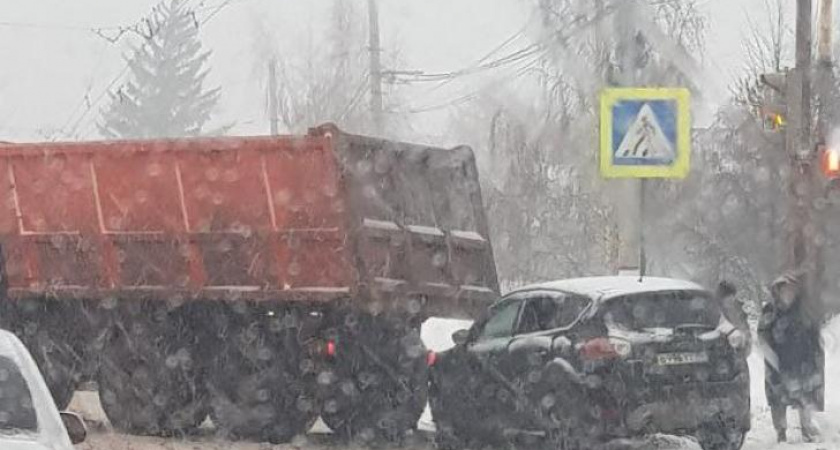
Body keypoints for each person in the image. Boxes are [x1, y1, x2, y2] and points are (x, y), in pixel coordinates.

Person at [758, 273, 824, 443]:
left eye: (791, 289)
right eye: (784, 290)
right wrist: (772, 359)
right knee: (777, 399)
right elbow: (763, 336)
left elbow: (814, 335)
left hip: (802, 361)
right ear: (777, 291)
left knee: (804, 396)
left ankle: (806, 428)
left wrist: (816, 357)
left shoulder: (803, 311)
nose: (788, 293)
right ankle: (781, 432)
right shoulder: (770, 311)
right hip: (779, 362)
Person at [716, 280, 751, 350]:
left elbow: (747, 333)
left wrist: (745, 343)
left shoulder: (739, 312)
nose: (731, 299)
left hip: (739, 352)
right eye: (728, 296)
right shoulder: (716, 313)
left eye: (733, 295)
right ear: (721, 298)